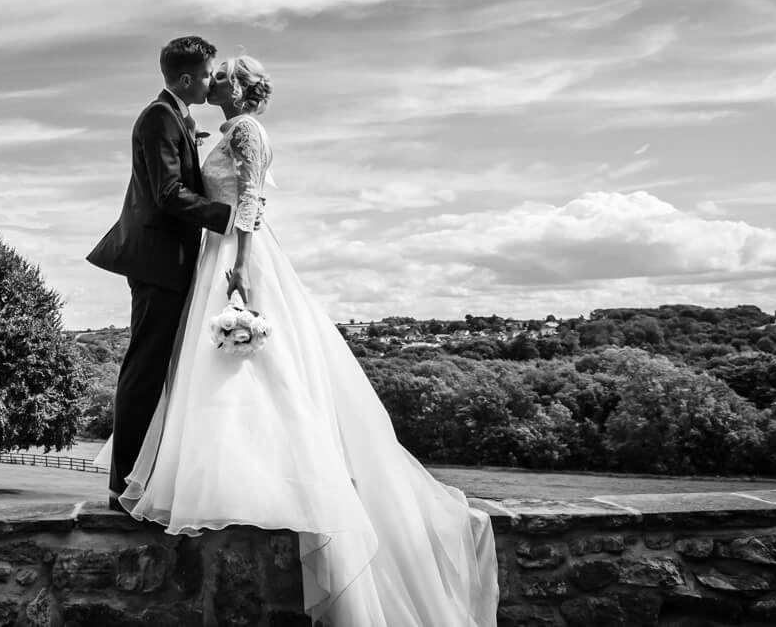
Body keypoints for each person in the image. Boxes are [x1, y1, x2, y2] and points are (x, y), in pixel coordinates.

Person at [114, 55, 499, 627]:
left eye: (224, 74)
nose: (215, 79)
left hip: (236, 253)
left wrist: (241, 264)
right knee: (221, 370)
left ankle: (268, 485)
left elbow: (250, 200)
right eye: (212, 72)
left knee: (256, 368)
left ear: (238, 88)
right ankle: (233, 481)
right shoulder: (222, 129)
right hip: (216, 248)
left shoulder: (246, 130)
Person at [84, 35, 234, 498]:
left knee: (160, 369)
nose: (211, 82)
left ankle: (146, 477)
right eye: (206, 75)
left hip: (173, 262)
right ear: (186, 79)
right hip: (158, 262)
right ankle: (123, 485)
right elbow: (167, 193)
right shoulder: (158, 118)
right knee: (145, 370)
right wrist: (228, 215)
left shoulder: (176, 117)